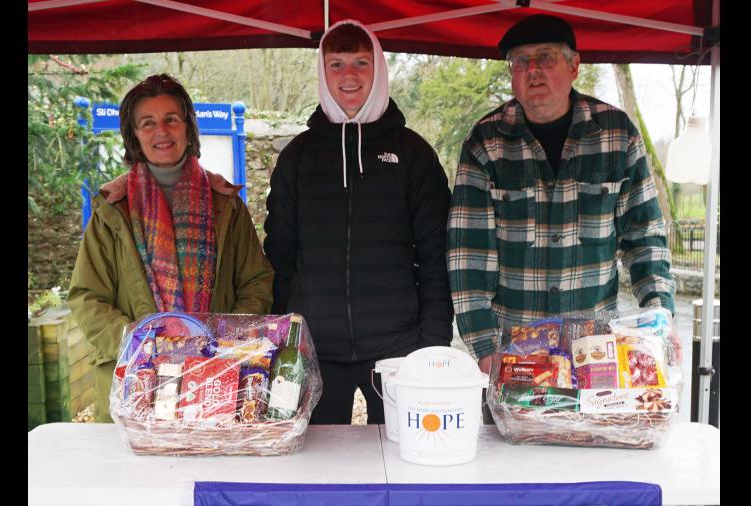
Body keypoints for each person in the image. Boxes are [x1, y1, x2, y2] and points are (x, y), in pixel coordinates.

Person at [447, 14, 679, 375]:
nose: (533, 71)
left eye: (546, 57)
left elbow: (645, 238)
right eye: (520, 61)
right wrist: (483, 345)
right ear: (512, 74)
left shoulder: (617, 135)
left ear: (574, 66)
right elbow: (468, 256)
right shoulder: (486, 143)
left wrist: (659, 311)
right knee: (509, 434)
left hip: (596, 350)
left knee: (592, 433)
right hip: (514, 351)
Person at [264, 20, 453, 424]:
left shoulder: (413, 153)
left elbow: (437, 256)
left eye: (360, 63)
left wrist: (432, 344)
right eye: (336, 65)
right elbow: (279, 256)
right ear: (322, 71)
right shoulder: (297, 157)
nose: (348, 76)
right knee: (318, 474)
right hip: (314, 352)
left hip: (399, 351)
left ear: (379, 68)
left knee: (402, 471)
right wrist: (283, 338)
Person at [68, 74, 274, 423]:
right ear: (134, 135)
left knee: (209, 472)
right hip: (136, 380)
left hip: (214, 380)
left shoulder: (226, 205)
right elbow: (87, 296)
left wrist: (220, 341)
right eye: (147, 123)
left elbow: (256, 281)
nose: (160, 131)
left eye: (171, 119)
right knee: (138, 477)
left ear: (187, 128)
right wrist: (140, 344)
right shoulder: (111, 211)